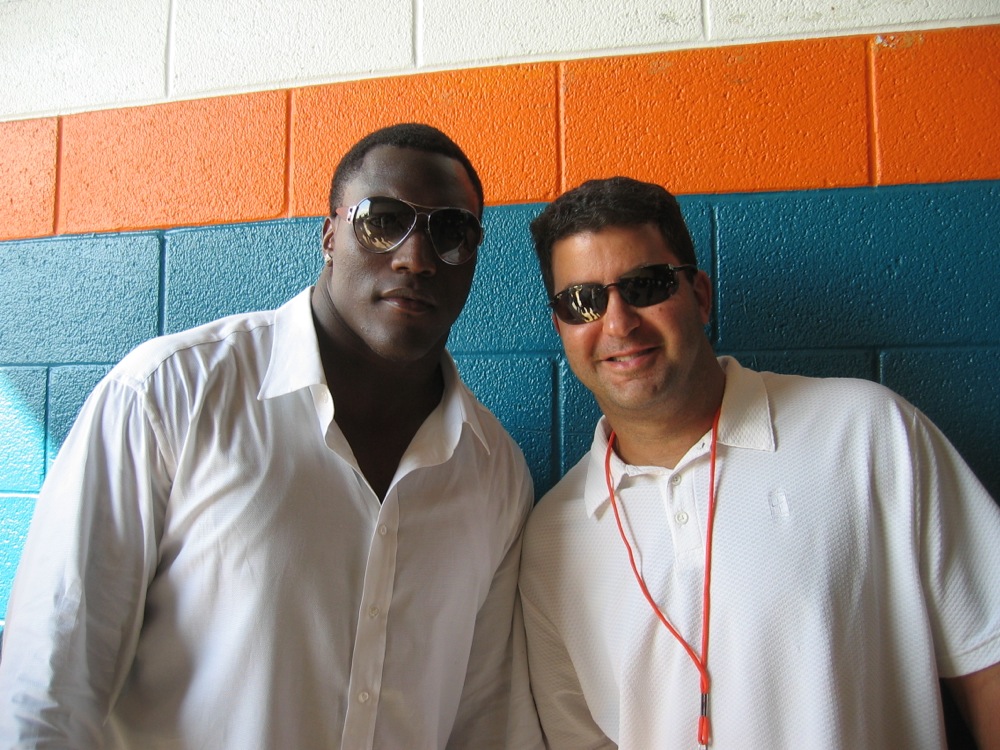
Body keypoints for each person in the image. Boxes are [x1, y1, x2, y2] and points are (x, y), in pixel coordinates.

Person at [0, 123, 534, 749]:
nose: (415, 257)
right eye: (383, 221)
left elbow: (486, 722)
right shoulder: (168, 393)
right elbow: (51, 683)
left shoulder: (496, 472)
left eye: (451, 233)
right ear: (329, 235)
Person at [518, 176, 1000, 749]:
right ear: (561, 328)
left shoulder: (868, 433)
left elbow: (988, 660)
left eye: (646, 286)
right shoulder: (551, 537)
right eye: (582, 302)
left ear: (700, 295)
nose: (619, 323)